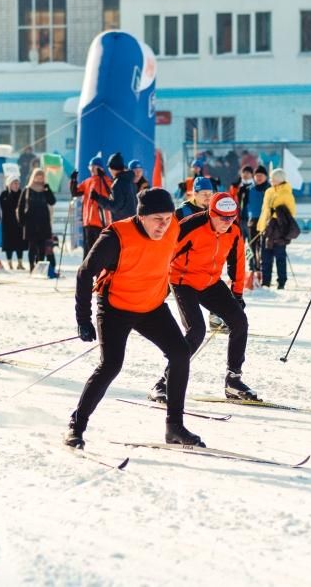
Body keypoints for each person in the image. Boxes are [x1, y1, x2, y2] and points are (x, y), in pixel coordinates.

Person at [66, 188, 203, 449]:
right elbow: (85, 273)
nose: (164, 225)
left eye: (167, 218)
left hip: (151, 306)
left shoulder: (174, 226)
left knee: (180, 354)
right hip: (116, 308)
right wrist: (83, 319)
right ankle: (77, 425)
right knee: (111, 365)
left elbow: (204, 217)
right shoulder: (116, 237)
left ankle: (174, 427)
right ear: (141, 217)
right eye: (157, 219)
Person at [149, 192, 254, 404]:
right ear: (211, 213)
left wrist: (238, 293)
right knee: (196, 331)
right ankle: (164, 382)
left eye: (231, 217)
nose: (227, 222)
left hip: (210, 282)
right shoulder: (191, 226)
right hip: (182, 280)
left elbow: (237, 262)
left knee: (239, 321)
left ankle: (233, 380)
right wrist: (153, 287)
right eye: (222, 218)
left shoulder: (233, 231)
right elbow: (165, 255)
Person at [256, 167, 297, 289]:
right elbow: (264, 210)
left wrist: (276, 216)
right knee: (265, 256)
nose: (270, 180)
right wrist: (261, 225)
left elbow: (291, 212)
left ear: (279, 179)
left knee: (280, 256)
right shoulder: (269, 191)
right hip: (266, 229)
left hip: (279, 230)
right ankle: (266, 281)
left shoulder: (286, 193)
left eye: (273, 178)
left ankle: (281, 282)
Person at [69, 154, 113, 257]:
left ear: (101, 168)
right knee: (88, 250)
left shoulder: (106, 180)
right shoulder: (88, 181)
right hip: (87, 222)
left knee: (99, 250)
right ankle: (86, 271)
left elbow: (110, 191)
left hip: (101, 222)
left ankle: (100, 271)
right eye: (90, 167)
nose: (92, 169)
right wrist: (73, 181)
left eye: (94, 167)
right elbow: (75, 192)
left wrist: (103, 177)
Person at [17, 167, 57, 274]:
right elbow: (20, 206)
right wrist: (21, 220)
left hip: (43, 222)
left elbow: (52, 201)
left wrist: (48, 190)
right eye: (37, 177)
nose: (39, 179)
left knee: (42, 247)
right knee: (32, 247)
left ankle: (40, 268)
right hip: (31, 222)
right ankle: (31, 267)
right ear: (33, 177)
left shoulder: (45, 189)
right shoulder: (27, 189)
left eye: (41, 177)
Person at [89, 152, 137, 221]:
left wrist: (98, 198)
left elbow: (115, 206)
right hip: (133, 222)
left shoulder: (118, 183)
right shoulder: (131, 182)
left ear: (111, 168)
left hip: (122, 224)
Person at [245, 165, 270, 276]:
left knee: (264, 247)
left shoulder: (270, 189)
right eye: (257, 175)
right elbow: (244, 205)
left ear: (266, 176)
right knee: (250, 246)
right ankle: (251, 267)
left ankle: (263, 269)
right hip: (252, 220)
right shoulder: (248, 189)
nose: (259, 177)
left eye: (261, 175)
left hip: (266, 221)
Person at [0, 175, 26, 269]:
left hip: (19, 222)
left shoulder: (22, 194)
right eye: (14, 183)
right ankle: (9, 262)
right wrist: (10, 195)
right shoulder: (4, 194)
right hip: (8, 223)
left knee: (20, 243)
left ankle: (20, 263)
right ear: (9, 184)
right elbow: (4, 206)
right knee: (8, 243)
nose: (16, 185)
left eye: (17, 183)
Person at [234, 164, 255, 236]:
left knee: (251, 241)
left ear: (252, 175)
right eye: (244, 172)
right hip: (238, 217)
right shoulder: (236, 186)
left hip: (250, 218)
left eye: (248, 173)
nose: (245, 175)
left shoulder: (254, 186)